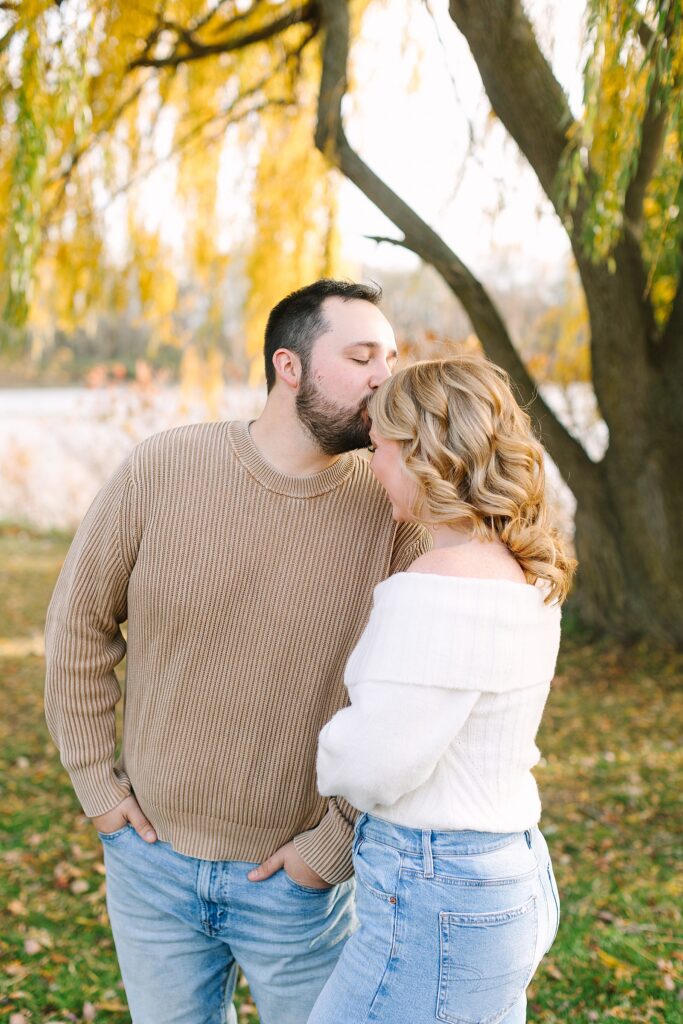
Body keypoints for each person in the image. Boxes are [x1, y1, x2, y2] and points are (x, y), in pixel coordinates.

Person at [44, 279, 429, 1024]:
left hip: (298, 885)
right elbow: (78, 626)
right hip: (149, 867)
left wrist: (333, 846)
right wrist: (97, 787)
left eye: (390, 356)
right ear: (289, 367)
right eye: (359, 357)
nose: (385, 376)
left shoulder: (393, 512)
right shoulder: (161, 470)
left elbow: (409, 704)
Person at [309, 354, 576, 1024]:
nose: (372, 467)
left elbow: (369, 765)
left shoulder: (435, 587)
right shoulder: (519, 571)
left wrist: (329, 743)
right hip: (507, 869)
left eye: (379, 449)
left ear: (424, 453)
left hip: (439, 890)